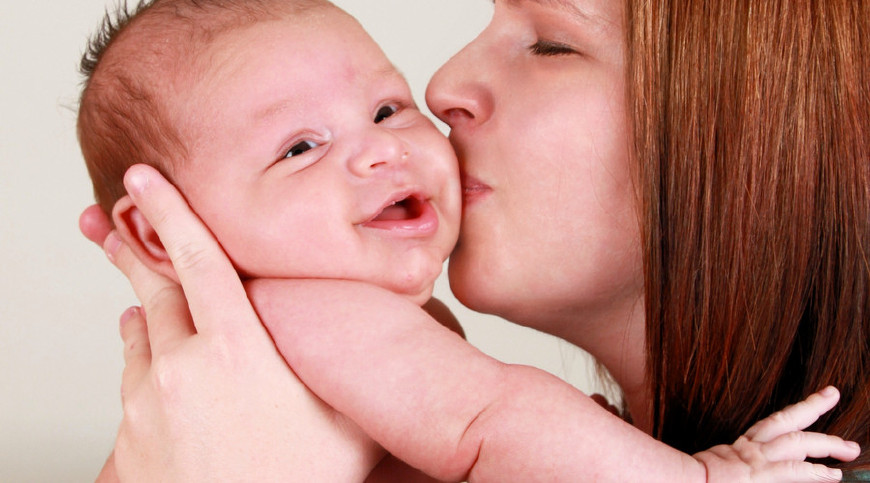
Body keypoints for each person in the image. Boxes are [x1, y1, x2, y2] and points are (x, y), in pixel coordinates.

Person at [78, 0, 870, 480]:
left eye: (551, 43)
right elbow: (496, 419)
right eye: (298, 148)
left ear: (760, 134)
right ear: (159, 226)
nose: (439, 89)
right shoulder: (307, 319)